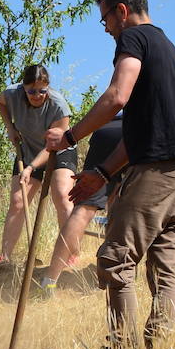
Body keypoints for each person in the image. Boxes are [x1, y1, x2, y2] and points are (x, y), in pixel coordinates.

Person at [44, 0, 175, 349]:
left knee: (115, 260)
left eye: (105, 21)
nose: (107, 30)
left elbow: (117, 96)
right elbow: (143, 133)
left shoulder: (133, 40)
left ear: (121, 11)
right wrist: (103, 172)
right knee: (166, 268)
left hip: (157, 174)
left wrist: (70, 137)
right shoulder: (167, 47)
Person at [0, 64, 77, 263]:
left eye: (42, 90)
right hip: (28, 150)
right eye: (31, 91)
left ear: (48, 87)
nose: (37, 95)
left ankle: (70, 255)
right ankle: (4, 258)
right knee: (17, 202)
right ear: (23, 87)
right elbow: (0, 103)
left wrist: (31, 168)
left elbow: (52, 146)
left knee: (62, 198)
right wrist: (10, 128)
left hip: (59, 151)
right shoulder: (11, 94)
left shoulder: (59, 106)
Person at [35, 113, 123, 295]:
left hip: (105, 129)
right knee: (128, 208)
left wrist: (71, 136)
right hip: (136, 134)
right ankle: (116, 276)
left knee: (83, 209)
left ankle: (49, 281)